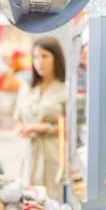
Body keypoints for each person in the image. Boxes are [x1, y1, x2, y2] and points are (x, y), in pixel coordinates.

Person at [13, 37, 67, 200]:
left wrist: (44, 128)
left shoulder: (64, 89)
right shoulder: (27, 87)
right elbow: (18, 120)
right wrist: (22, 129)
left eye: (45, 56)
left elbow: (72, 129)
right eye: (36, 57)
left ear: (56, 58)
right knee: (28, 199)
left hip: (53, 154)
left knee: (51, 201)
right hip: (29, 152)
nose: (39, 62)